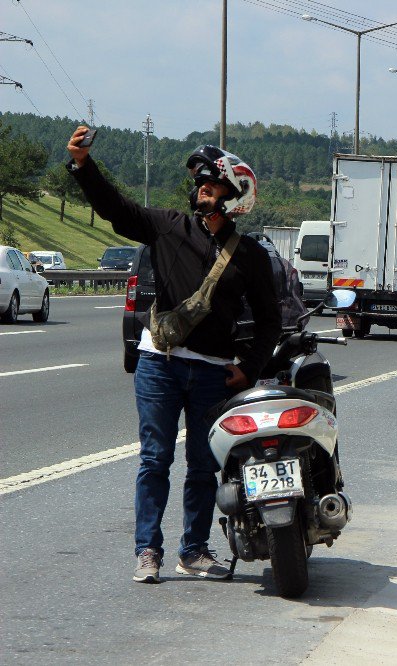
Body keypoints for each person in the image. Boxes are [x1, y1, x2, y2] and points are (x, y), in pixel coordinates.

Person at [66, 127, 281, 584]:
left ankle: (195, 550)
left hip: (212, 375)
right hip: (158, 366)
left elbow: (270, 321)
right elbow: (114, 207)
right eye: (200, 186)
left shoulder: (250, 257)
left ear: (235, 196)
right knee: (155, 459)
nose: (201, 192)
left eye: (212, 186)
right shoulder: (167, 227)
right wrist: (83, 166)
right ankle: (148, 550)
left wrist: (249, 369)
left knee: (204, 465)